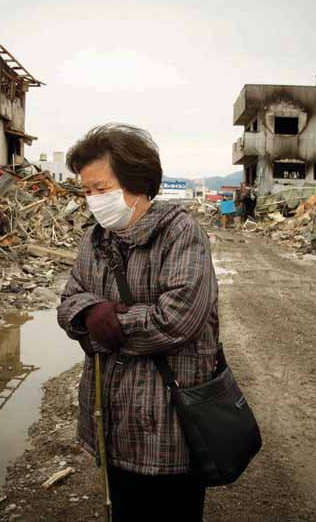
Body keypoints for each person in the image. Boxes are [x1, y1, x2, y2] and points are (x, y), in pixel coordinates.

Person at [57, 124, 219, 522]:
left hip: (168, 422)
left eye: (102, 189)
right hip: (111, 418)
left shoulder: (180, 233)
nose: (93, 201)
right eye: (87, 191)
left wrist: (106, 321)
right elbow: (67, 304)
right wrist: (88, 314)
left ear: (137, 183)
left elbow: (178, 319)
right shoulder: (95, 240)